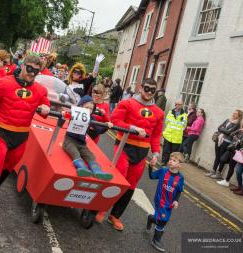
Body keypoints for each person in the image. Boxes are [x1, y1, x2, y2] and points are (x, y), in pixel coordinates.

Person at [0, 55, 50, 230]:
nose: (32, 73)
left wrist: (46, 108)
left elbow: (45, 106)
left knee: (5, 170)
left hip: (21, 137)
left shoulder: (40, 90)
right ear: (23, 66)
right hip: (0, 132)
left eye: (36, 70)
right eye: (30, 68)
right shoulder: (4, 83)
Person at [95, 78, 164, 231]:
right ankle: (100, 208)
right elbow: (115, 121)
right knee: (118, 178)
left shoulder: (159, 113)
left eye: (153, 90)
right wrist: (133, 128)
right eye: (147, 88)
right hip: (124, 146)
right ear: (141, 87)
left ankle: (115, 215)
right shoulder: (127, 103)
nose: (149, 92)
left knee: (131, 185)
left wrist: (156, 153)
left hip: (142, 152)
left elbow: (156, 135)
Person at [63, 95, 113, 180]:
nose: (88, 110)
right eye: (86, 107)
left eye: (91, 108)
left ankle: (98, 172)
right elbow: (62, 119)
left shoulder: (91, 118)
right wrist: (63, 115)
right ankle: (83, 169)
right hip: (69, 140)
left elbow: (98, 130)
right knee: (75, 153)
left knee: (90, 156)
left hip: (82, 143)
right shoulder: (74, 113)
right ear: (80, 106)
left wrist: (106, 126)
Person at [147, 152, 185, 252]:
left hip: (169, 204)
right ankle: (156, 240)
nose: (171, 161)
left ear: (179, 165)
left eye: (174, 160)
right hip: (160, 201)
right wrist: (150, 166)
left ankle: (151, 218)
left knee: (161, 218)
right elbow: (151, 176)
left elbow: (179, 190)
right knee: (163, 221)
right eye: (170, 159)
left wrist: (176, 201)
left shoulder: (180, 178)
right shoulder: (163, 171)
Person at [206, 110, 243, 178]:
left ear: (239, 116)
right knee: (217, 156)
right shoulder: (228, 120)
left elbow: (229, 132)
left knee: (221, 158)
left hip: (226, 142)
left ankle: (218, 173)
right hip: (219, 139)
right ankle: (213, 171)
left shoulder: (237, 124)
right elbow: (219, 127)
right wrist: (224, 130)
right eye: (233, 113)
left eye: (235, 114)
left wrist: (223, 129)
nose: (233, 114)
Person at [216, 117, 243, 187]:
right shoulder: (240, 130)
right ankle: (226, 180)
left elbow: (241, 141)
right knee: (222, 159)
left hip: (237, 151)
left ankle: (227, 181)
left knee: (231, 166)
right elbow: (231, 134)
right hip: (231, 149)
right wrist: (238, 130)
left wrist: (235, 138)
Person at [162, 100, 187, 165]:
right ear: (175, 105)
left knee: (174, 152)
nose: (180, 106)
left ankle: (171, 163)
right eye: (178, 104)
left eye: (181, 104)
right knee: (166, 150)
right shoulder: (170, 112)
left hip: (177, 137)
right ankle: (164, 162)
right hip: (168, 135)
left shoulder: (184, 115)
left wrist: (180, 130)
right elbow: (167, 122)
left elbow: (184, 125)